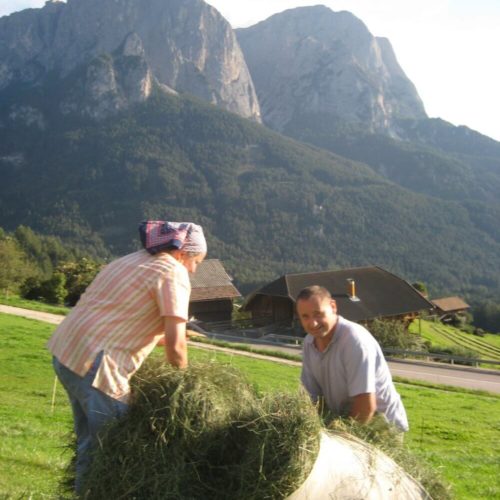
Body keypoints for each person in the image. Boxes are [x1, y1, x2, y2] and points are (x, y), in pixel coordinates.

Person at [47, 220, 206, 492]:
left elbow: (123, 319)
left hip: (67, 353)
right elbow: (177, 348)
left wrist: (168, 338)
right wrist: (184, 390)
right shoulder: (173, 272)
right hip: (96, 366)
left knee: (90, 444)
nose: (193, 270)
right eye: (197, 263)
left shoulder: (132, 260)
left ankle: (84, 494)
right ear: (182, 254)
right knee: (117, 449)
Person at [297, 285, 408, 432]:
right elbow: (312, 398)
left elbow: (365, 405)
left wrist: (340, 436)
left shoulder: (354, 341)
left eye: (318, 314)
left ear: (333, 307)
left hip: (381, 428)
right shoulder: (309, 343)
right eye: (305, 316)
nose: (313, 323)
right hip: (345, 419)